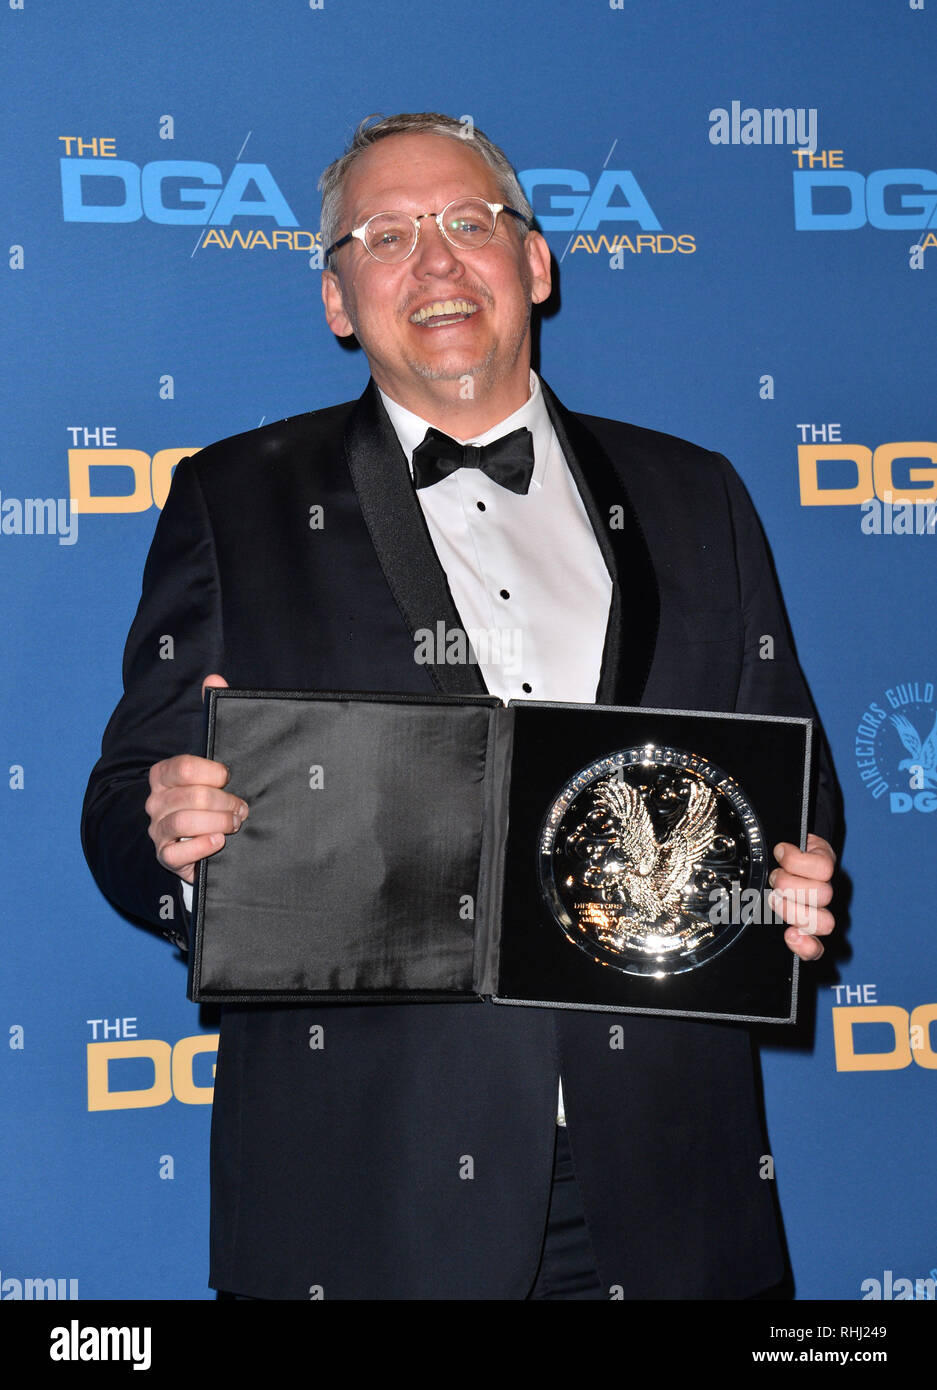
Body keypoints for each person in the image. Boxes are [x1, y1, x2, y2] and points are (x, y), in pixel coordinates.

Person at [82, 112, 839, 1301]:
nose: (433, 260)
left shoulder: (697, 493)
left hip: (670, 1188)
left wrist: (791, 870)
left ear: (533, 262)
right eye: (384, 236)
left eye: (467, 223)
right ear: (337, 301)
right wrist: (171, 839)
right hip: (373, 1204)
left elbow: (788, 772)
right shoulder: (236, 499)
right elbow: (128, 801)